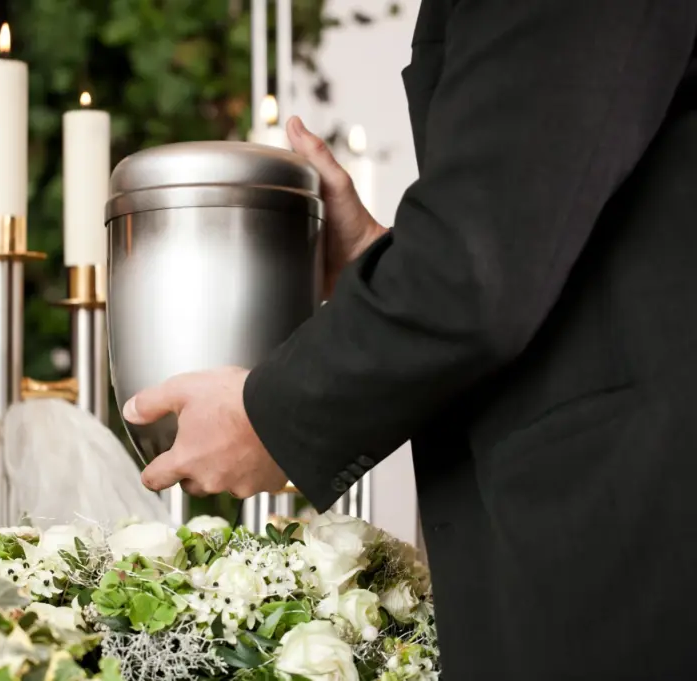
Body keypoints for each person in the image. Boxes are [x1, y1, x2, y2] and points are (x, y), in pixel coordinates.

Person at [121, 2, 697, 679]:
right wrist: (378, 259)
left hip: (624, 519)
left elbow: (478, 265)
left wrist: (268, 413)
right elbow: (530, 217)